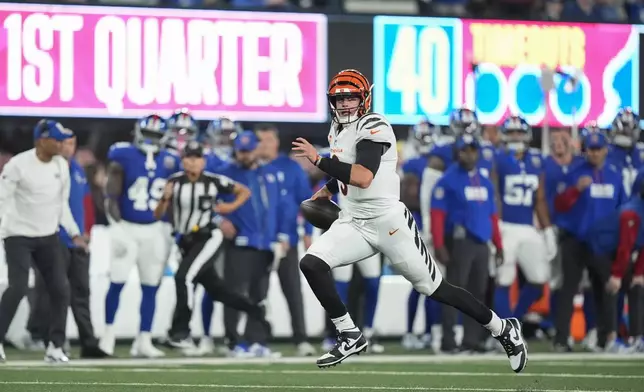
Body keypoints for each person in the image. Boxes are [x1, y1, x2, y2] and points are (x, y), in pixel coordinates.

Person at [291, 69, 527, 372]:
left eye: (351, 97)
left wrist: (318, 160)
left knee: (436, 289)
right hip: (354, 221)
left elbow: (363, 177)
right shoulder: (336, 129)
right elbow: (346, 170)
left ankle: (502, 328)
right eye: (340, 98)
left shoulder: (374, 125)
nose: (346, 104)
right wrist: (328, 188)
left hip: (388, 222)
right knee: (311, 264)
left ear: (365, 99)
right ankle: (349, 333)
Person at [155, 141, 272, 354]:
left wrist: (229, 207)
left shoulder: (213, 180)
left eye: (197, 158)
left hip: (208, 236)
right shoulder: (173, 182)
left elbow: (244, 191)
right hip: (185, 241)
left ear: (203, 161)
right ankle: (254, 310)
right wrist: (165, 198)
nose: (193, 162)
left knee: (184, 278)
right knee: (219, 291)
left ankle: (180, 333)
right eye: (189, 158)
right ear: (182, 161)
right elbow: (158, 214)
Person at [0, 120, 88, 363]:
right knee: (17, 287)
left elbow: (62, 205)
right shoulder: (18, 165)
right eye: (57, 140)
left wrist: (74, 232)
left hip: (48, 235)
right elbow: (2, 199)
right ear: (42, 140)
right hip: (18, 234)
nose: (62, 145)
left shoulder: (61, 165)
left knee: (61, 289)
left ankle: (56, 346)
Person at [99, 114, 181, 358]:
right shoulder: (122, 155)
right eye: (148, 134)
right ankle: (108, 335)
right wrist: (117, 226)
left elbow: (173, 199)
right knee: (117, 281)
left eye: (155, 135)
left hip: (156, 228)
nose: (150, 140)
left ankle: (143, 339)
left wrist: (172, 229)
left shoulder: (171, 160)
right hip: (126, 226)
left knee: (151, 286)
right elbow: (111, 195)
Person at [26, 132, 108, 358]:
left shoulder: (78, 170)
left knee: (81, 292)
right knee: (54, 292)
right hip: (52, 239)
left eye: (72, 143)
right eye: (64, 143)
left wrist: (87, 232)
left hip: (77, 241)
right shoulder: (44, 170)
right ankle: (49, 339)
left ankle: (88, 343)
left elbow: (86, 203)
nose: (68, 148)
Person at [219, 130, 293, 357]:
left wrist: (283, 235)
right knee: (235, 294)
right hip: (240, 243)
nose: (245, 155)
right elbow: (207, 201)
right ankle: (233, 341)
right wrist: (219, 220)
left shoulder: (270, 174)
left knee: (259, 295)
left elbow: (282, 207)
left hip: (265, 243)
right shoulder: (225, 175)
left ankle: (256, 341)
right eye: (241, 151)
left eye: (248, 150)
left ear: (255, 149)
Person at [553, 131, 627, 352]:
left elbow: (622, 210)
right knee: (568, 289)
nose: (594, 153)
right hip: (575, 239)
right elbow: (559, 204)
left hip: (602, 243)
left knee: (606, 289)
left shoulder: (614, 175)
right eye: (591, 149)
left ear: (605, 150)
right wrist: (575, 190)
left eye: (598, 149)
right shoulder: (574, 172)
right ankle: (561, 339)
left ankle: (607, 337)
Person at [429, 134, 503, 353]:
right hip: (460, 242)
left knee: (478, 293)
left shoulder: (485, 181)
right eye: (464, 150)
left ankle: (472, 340)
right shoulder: (448, 179)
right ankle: (449, 341)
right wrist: (440, 244)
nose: (468, 154)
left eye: (472, 150)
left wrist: (499, 244)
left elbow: (492, 215)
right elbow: (437, 214)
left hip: (481, 243)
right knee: (455, 293)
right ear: (457, 153)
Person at [255, 123, 316, 356]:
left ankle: (301, 338)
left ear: (277, 142)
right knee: (257, 293)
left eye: (269, 140)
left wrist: (309, 232)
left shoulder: (291, 168)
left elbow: (308, 202)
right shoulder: (253, 167)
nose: (264, 145)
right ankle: (259, 339)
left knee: (293, 291)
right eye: (261, 140)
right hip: (259, 242)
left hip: (287, 240)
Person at [493, 116, 557, 323]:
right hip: (506, 226)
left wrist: (547, 230)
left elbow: (539, 199)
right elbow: (495, 195)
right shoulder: (498, 159)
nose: (515, 136)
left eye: (519, 132)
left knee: (539, 279)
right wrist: (497, 228)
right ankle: (502, 332)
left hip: (528, 227)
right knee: (503, 279)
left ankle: (513, 323)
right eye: (511, 132)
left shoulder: (537, 160)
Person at [400, 119, 442, 350]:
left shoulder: (439, 161)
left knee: (432, 283)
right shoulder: (413, 164)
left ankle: (428, 331)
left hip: (435, 225)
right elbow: (408, 197)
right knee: (419, 283)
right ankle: (410, 331)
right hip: (417, 226)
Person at [586, 184, 644, 352]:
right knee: (611, 288)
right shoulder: (631, 212)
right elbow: (625, 246)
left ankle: (637, 337)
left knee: (637, 286)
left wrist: (640, 273)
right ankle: (610, 339)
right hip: (600, 250)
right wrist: (617, 275)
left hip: (616, 251)